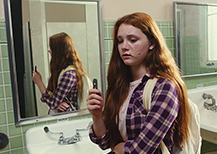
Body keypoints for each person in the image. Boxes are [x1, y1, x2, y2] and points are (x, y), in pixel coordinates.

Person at [86, 12, 191, 154]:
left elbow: (142, 150)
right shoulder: (120, 85)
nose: (124, 46)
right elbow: (106, 142)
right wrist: (96, 116)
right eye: (120, 41)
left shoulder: (164, 87)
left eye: (133, 40)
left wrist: (121, 148)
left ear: (152, 43)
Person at [32, 32, 89, 114]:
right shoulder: (63, 70)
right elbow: (54, 100)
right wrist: (56, 103)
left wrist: (39, 82)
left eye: (51, 48)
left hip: (68, 119)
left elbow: (53, 103)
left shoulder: (68, 74)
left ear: (58, 51)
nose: (49, 50)